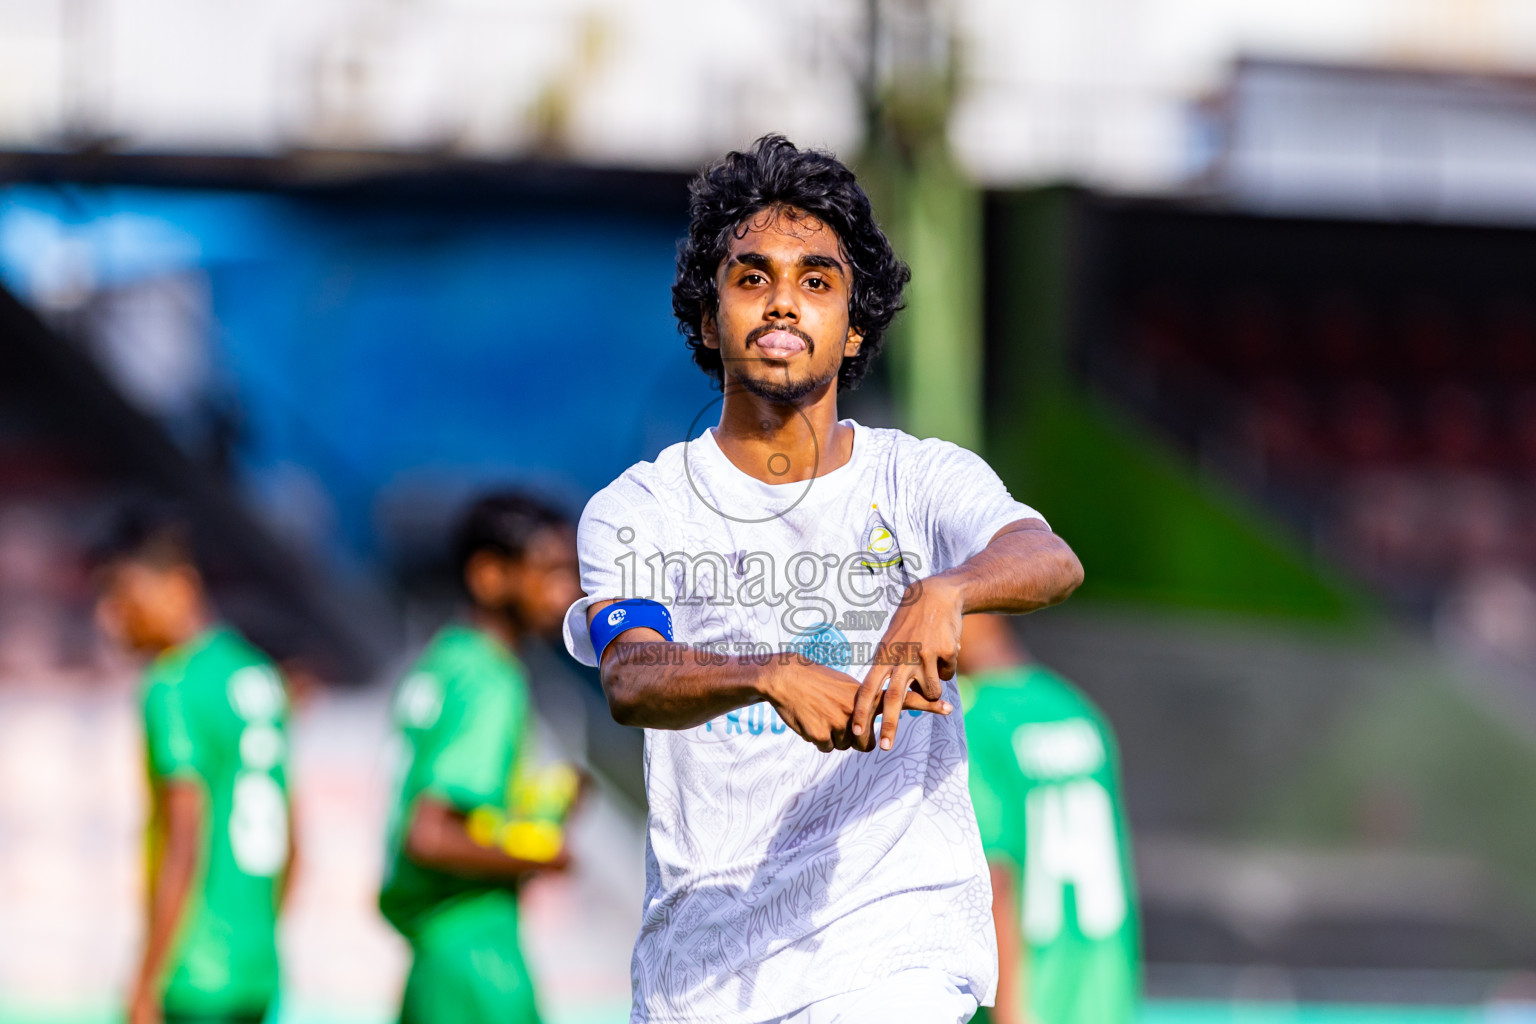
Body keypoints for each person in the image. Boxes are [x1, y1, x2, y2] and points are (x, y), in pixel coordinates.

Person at [562, 135, 1085, 1024]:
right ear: (705, 315)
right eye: (751, 276)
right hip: (704, 976)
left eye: (816, 281)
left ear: (854, 330)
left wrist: (944, 591)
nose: (782, 304)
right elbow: (631, 676)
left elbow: (1047, 557)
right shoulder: (638, 508)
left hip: (894, 953)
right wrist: (765, 671)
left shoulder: (918, 479)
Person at [380, 492, 584, 1024]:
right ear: (489, 574)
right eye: (549, 569)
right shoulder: (489, 677)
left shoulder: (446, 658)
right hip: (476, 957)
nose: (567, 590)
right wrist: (545, 855)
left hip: (434, 957)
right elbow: (430, 834)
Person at [94, 509, 295, 1024]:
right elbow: (294, 839)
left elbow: (187, 836)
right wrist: (255, 933)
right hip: (258, 970)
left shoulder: (173, 685)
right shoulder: (255, 672)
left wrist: (144, 984)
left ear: (179, 585)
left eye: (123, 593)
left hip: (192, 975)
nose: (111, 615)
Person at [959, 614, 1139, 1024]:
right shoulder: (1075, 708)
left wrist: (1010, 1011)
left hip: (1027, 999)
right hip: (1103, 992)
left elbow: (994, 874)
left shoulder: (977, 721)